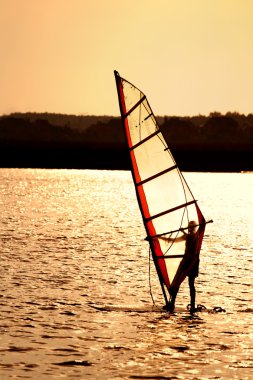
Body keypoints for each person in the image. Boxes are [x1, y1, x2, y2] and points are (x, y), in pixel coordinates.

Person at [160, 220, 200, 313]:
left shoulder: (196, 236)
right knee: (177, 282)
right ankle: (172, 304)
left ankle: (193, 305)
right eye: (189, 227)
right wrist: (159, 238)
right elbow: (173, 241)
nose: (190, 229)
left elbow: (193, 238)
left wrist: (183, 231)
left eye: (191, 227)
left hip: (193, 262)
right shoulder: (186, 236)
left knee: (191, 284)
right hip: (185, 261)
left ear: (195, 228)